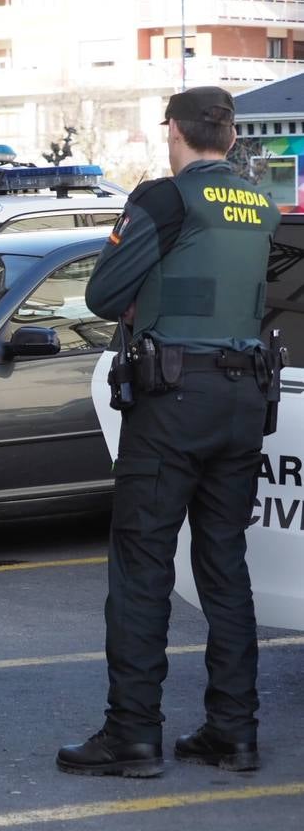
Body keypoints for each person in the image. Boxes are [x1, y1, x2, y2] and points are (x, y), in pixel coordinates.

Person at [57, 86, 281, 778]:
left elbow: (99, 294)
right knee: (223, 566)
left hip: (173, 402)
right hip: (244, 401)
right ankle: (232, 732)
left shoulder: (163, 198)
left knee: (141, 566)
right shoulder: (261, 205)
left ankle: (131, 735)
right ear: (232, 137)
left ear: (173, 133)